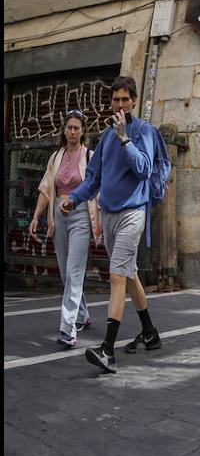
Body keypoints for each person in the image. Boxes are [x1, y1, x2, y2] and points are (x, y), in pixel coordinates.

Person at [62, 76, 163, 374]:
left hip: (133, 213)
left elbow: (144, 168)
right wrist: (73, 198)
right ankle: (150, 332)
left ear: (133, 100)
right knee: (129, 274)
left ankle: (107, 350)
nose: (120, 104)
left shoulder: (143, 131)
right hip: (108, 214)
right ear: (111, 102)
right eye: (116, 100)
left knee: (117, 275)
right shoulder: (105, 137)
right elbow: (93, 178)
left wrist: (125, 138)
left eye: (125, 99)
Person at [30, 110, 101, 347]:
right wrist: (37, 215)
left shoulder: (89, 156)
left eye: (76, 128)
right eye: (69, 127)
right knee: (65, 272)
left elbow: (96, 188)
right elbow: (46, 188)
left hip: (80, 213)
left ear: (83, 132)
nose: (72, 132)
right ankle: (82, 315)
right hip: (59, 215)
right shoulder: (56, 156)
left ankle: (68, 328)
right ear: (64, 130)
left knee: (74, 270)